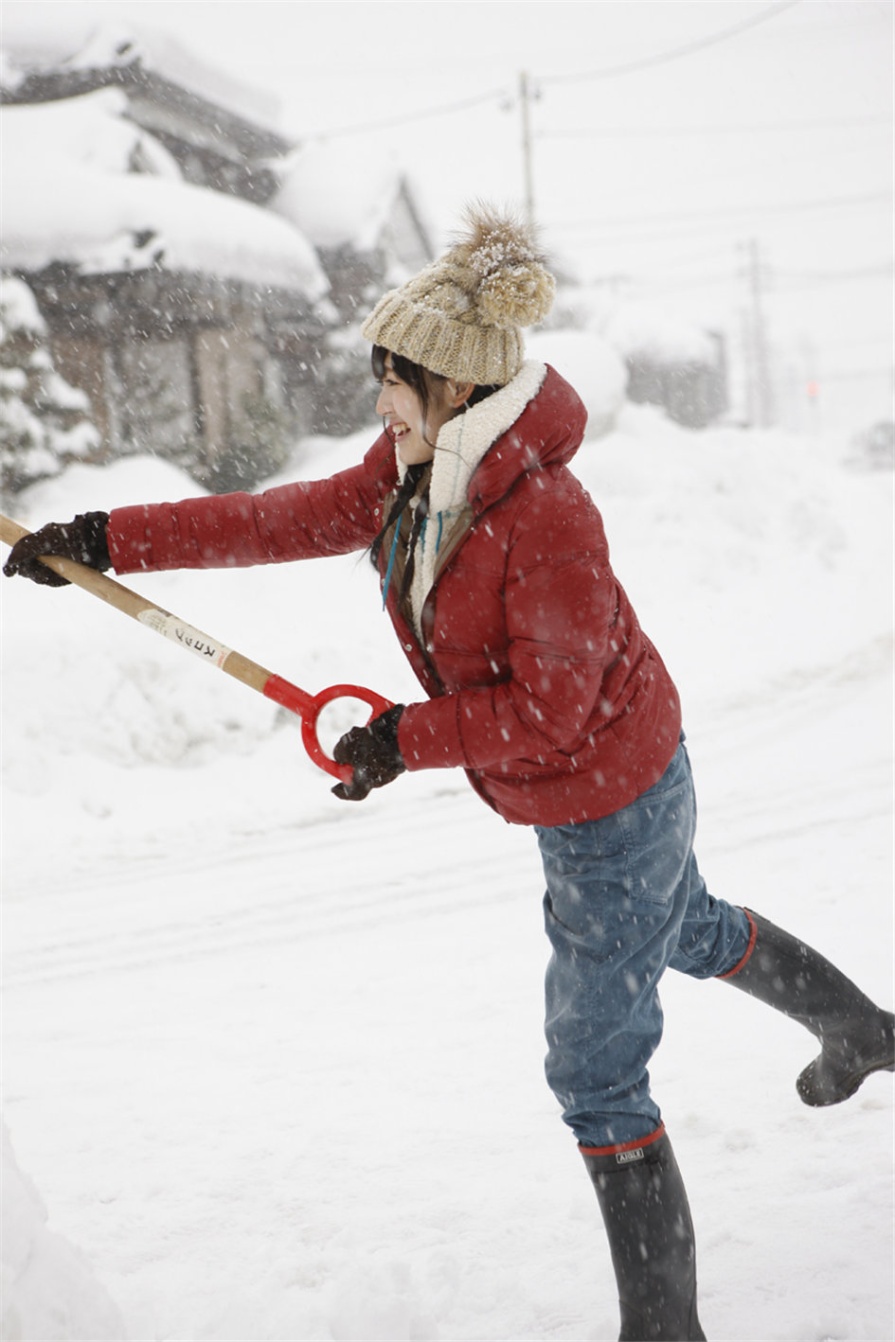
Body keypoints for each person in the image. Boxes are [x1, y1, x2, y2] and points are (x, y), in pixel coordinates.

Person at [5, 205, 893, 1341]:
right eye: (382, 376)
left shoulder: (549, 519)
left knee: (595, 1067)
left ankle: (665, 1328)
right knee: (683, 926)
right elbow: (279, 518)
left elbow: (549, 708)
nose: (380, 401)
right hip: (590, 782)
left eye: (397, 381)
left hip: (609, 791)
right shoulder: (415, 470)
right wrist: (106, 538)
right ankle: (862, 1028)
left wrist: (400, 737)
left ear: (461, 394)